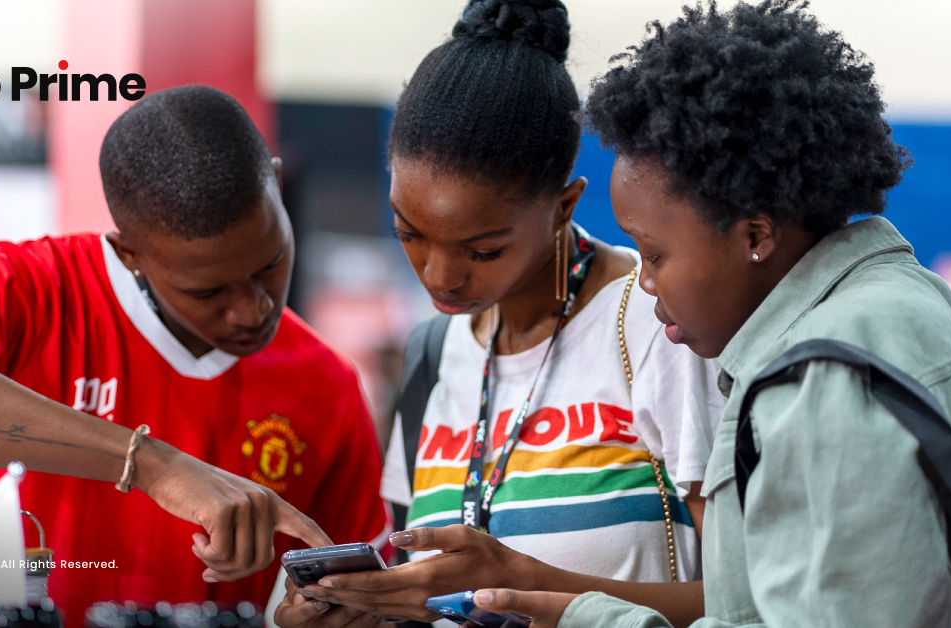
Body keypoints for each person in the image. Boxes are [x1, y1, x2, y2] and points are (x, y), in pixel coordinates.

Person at [465, 1, 951, 627]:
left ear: (755, 236)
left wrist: (591, 619)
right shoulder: (904, 300)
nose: (644, 282)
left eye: (654, 255)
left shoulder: (821, 377)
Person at [0, 85, 390, 623]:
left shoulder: (326, 382)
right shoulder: (29, 290)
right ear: (128, 252)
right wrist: (150, 464)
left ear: (276, 183)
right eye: (208, 292)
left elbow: (361, 600)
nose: (252, 310)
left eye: (270, 263)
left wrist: (324, 614)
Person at [276, 2, 723, 627]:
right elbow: (425, 599)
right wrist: (363, 611)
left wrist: (525, 583)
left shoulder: (660, 323)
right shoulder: (433, 353)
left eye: (483, 250)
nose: (439, 276)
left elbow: (751, 602)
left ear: (563, 206)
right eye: (410, 233)